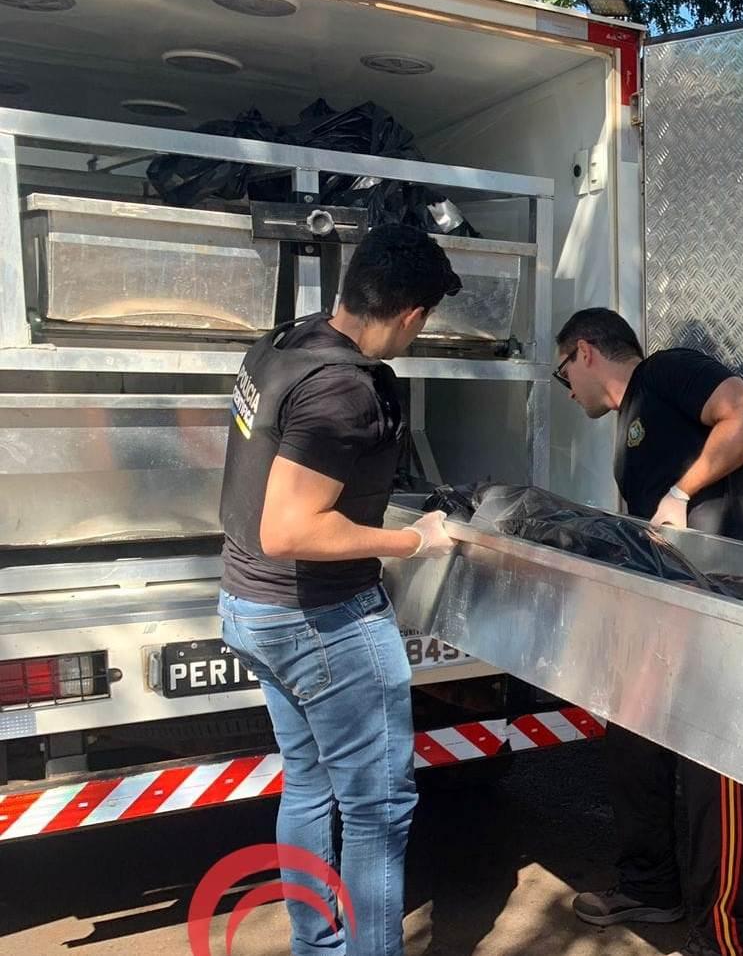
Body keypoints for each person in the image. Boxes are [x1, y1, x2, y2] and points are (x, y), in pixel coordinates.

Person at [217, 224, 461, 956]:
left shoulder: (283, 344)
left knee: (308, 784)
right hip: (321, 621)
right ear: (413, 314)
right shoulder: (343, 389)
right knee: (377, 809)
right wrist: (413, 541)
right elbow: (290, 529)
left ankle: (315, 947)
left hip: (249, 604)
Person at [555, 308, 743, 956]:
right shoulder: (629, 424)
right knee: (632, 736)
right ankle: (651, 887)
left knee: (716, 769)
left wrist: (682, 492)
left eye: (562, 370)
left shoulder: (670, 369)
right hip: (660, 603)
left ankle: (721, 937)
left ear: (586, 352)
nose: (566, 388)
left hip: (718, 597)